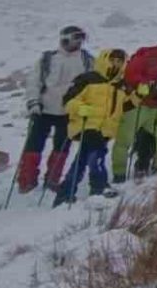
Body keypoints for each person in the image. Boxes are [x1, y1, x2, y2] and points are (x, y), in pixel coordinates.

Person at [19, 25, 94, 194]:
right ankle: (26, 180)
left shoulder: (87, 60)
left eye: (81, 38)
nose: (79, 42)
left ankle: (52, 179)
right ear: (65, 39)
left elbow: (91, 86)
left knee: (62, 147)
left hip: (69, 111)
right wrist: (33, 102)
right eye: (75, 38)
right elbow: (34, 82)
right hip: (43, 109)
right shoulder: (48, 59)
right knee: (33, 146)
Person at [53, 49, 129, 205]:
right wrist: (80, 108)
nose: (116, 64)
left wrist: (139, 95)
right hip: (86, 125)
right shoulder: (88, 79)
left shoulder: (121, 85)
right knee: (97, 155)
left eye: (119, 61)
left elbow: (126, 106)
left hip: (105, 129)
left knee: (81, 159)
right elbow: (68, 100)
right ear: (104, 60)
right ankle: (99, 187)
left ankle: (65, 193)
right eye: (113, 60)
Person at [114, 32, 157, 182]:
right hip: (137, 103)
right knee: (124, 139)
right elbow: (130, 74)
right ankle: (118, 173)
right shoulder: (145, 55)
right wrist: (147, 83)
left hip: (156, 105)